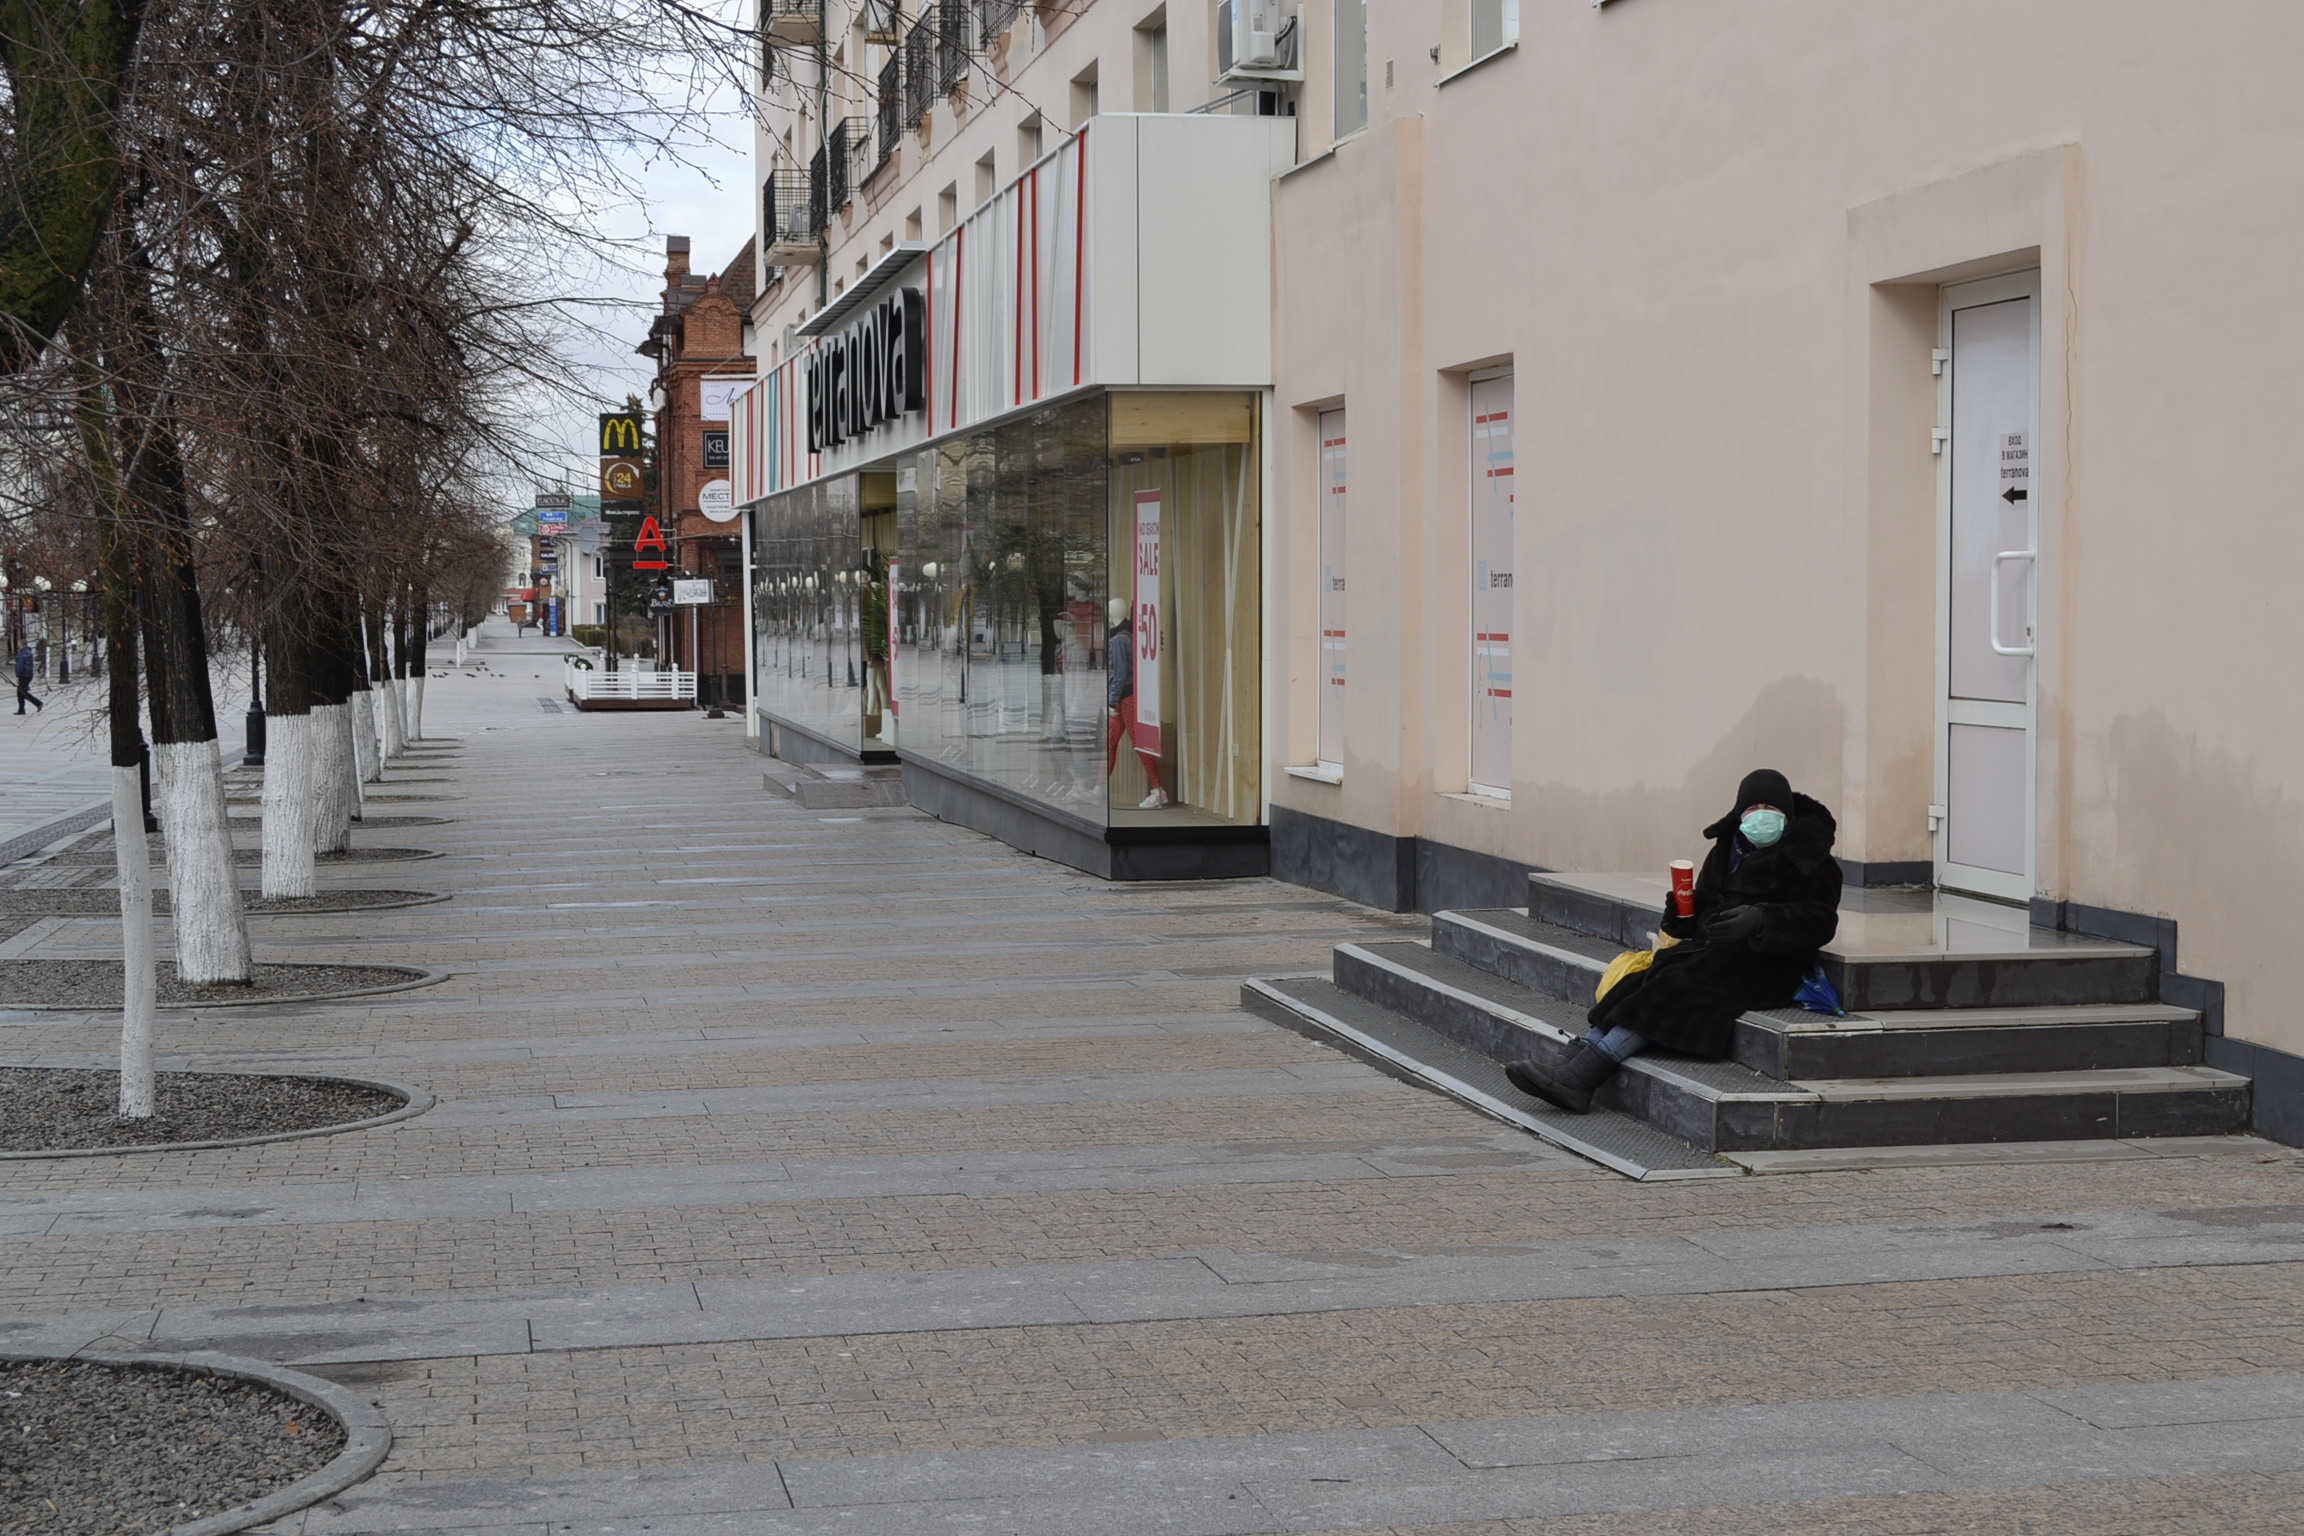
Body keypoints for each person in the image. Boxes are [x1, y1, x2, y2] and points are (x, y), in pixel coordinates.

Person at [1506, 768, 1840, 1114]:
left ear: (1787, 815)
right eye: (1752, 808)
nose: (1761, 815)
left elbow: (1820, 920)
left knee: (1675, 985)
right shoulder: (1728, 849)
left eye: (1771, 808)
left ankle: (1583, 1076)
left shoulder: (1812, 862)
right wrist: (1683, 915)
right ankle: (1567, 1063)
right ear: (1739, 813)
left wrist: (1760, 919)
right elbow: (1705, 912)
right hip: (1716, 952)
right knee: (1639, 981)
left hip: (1768, 964)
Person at [1105, 598, 1168, 809]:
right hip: (1126, 697)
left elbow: (1120, 674)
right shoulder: (1127, 636)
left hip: (1126, 698)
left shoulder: (1119, 640)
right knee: (1111, 742)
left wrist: (1112, 702)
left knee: (1140, 744)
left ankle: (1158, 790)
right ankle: (1098, 789)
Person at [13, 643, 41, 715]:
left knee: (22, 692)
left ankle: (38, 703)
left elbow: (20, 665)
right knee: (21, 693)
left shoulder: (23, 653)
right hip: (28, 674)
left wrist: (18, 676)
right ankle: (21, 709)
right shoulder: (29, 652)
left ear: (21, 644)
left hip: (23, 675)